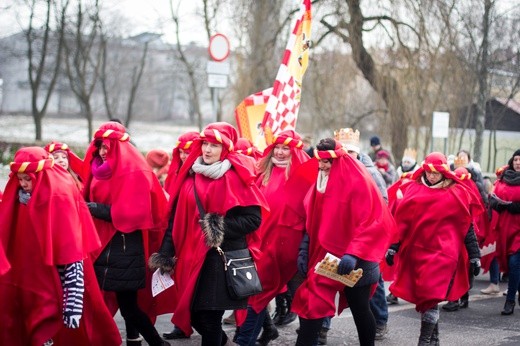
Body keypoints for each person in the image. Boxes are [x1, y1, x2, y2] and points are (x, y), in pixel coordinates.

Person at [150, 122, 268, 346]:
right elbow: (175, 219)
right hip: (189, 258)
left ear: (225, 148)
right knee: (193, 315)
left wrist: (218, 225)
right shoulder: (190, 176)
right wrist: (165, 253)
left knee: (210, 317)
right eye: (205, 143)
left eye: (215, 145)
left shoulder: (237, 177)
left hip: (219, 258)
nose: (207, 150)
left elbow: (253, 220)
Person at [0, 146, 121, 345]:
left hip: (54, 282)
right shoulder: (18, 198)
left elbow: (72, 254)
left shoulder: (59, 198)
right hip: (28, 278)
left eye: (27, 179)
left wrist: (72, 302)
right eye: (19, 179)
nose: (23, 185)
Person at [292, 138, 395, 346]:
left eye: (326, 162)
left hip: (356, 261)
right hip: (325, 258)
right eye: (319, 161)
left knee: (360, 309)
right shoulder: (318, 183)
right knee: (311, 303)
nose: (321, 166)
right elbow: (312, 222)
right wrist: (304, 249)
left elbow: (371, 221)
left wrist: (354, 252)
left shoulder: (359, 183)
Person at [83, 121, 170, 346]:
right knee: (113, 303)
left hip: (123, 247)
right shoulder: (98, 168)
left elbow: (135, 212)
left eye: (106, 147)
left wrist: (96, 209)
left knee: (128, 307)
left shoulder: (134, 171)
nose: (102, 152)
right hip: (104, 245)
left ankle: (153, 342)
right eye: (99, 146)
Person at [386, 152, 482, 345]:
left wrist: (474, 255)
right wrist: (393, 247)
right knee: (427, 298)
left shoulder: (456, 193)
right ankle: (435, 338)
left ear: (444, 172)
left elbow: (466, 226)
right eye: (428, 172)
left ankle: (424, 340)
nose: (431, 176)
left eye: (435, 173)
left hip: (443, 255)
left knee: (431, 294)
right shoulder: (413, 190)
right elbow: (401, 223)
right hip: (416, 253)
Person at [235, 130, 310, 346]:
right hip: (264, 246)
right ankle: (246, 340)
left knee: (303, 299)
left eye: (285, 148)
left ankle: (310, 337)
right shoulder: (261, 173)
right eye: (276, 147)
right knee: (257, 295)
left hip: (294, 250)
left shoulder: (304, 177)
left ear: (294, 151)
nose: (279, 152)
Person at [333, 127, 390, 342]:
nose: (348, 158)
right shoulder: (334, 173)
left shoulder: (371, 174)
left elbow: (380, 212)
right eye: (343, 153)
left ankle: (381, 321)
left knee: (366, 298)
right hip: (340, 248)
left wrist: (358, 247)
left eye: (351, 153)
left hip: (365, 249)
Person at [161, 131, 199, 340]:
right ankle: (182, 325)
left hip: (199, 238)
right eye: (181, 152)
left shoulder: (202, 175)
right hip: (181, 238)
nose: (185, 156)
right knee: (181, 283)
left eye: (189, 152)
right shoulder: (178, 174)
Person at [489, 149, 520, 315]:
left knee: (515, 263)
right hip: (505, 228)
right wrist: (498, 204)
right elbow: (493, 199)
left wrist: (514, 206)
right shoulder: (504, 178)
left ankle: (510, 301)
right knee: (511, 264)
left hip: (519, 231)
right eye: (516, 159)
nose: (518, 162)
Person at [163, 131, 199, 196]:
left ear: (197, 152)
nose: (182, 156)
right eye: (180, 152)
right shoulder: (174, 172)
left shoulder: (201, 175)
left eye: (187, 153)